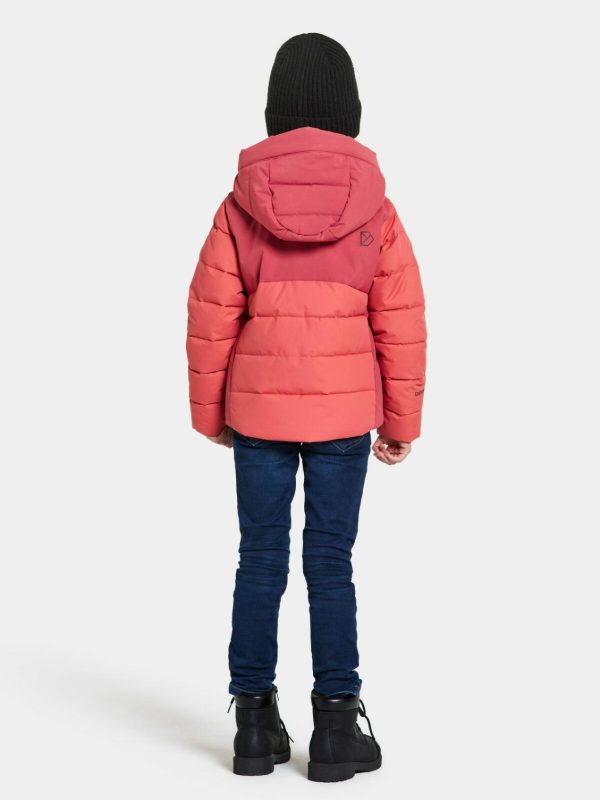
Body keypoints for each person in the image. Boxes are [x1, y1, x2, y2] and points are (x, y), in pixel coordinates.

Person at [186, 32, 427, 782]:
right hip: (343, 419)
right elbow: (400, 321)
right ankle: (335, 730)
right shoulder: (377, 208)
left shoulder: (238, 205)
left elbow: (211, 316)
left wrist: (211, 413)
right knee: (330, 562)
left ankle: (254, 727)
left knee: (259, 559)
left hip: (258, 416)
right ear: (350, 113)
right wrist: (401, 421)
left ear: (274, 113)